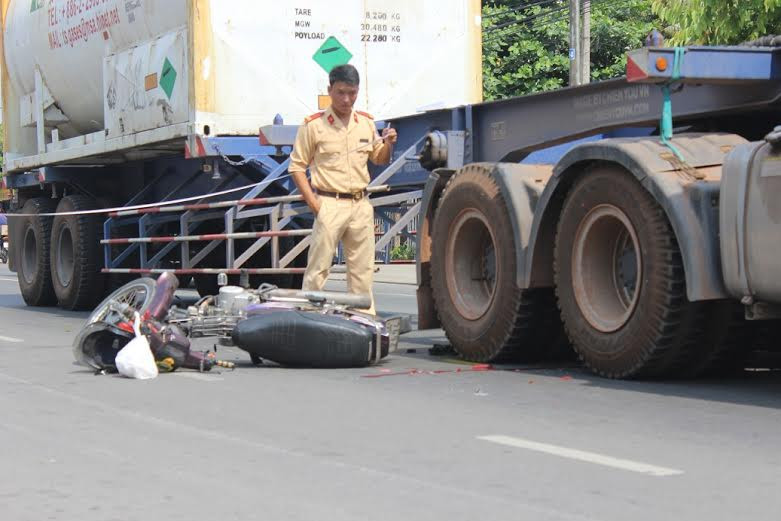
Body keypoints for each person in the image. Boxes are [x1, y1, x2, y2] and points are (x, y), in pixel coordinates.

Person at [288, 64, 398, 315]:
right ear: (330, 90)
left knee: (362, 269)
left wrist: (389, 143)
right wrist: (315, 205)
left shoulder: (366, 123)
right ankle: (310, 318)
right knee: (319, 268)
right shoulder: (313, 125)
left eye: (352, 93)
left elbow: (379, 159)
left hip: (360, 204)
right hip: (329, 202)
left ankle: (363, 321)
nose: (346, 99)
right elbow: (296, 167)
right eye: (340, 92)